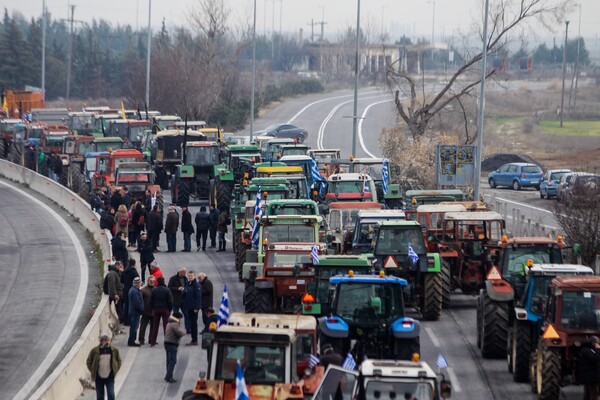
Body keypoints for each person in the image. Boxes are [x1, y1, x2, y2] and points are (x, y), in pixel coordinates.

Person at [86, 333, 121, 400]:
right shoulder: (95, 351)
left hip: (110, 377)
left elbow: (118, 361)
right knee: (100, 396)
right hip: (99, 378)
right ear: (101, 341)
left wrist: (115, 370)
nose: (106, 342)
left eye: (107, 340)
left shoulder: (114, 350)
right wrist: (93, 370)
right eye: (105, 340)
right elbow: (89, 362)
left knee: (111, 395)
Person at [163, 312, 186, 383]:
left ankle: (169, 375)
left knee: (168, 360)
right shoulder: (175, 324)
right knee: (173, 360)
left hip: (166, 342)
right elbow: (179, 333)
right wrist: (184, 333)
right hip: (172, 343)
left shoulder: (169, 323)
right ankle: (168, 376)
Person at [150, 277, 173, 346]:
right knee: (166, 326)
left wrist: (153, 308)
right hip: (165, 309)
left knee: (155, 326)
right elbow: (170, 301)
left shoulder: (154, 290)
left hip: (156, 309)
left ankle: (152, 342)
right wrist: (170, 309)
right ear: (163, 282)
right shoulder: (167, 290)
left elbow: (151, 301)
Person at [182, 270, 202, 345]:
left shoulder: (196, 285)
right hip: (188, 307)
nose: (190, 277)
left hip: (194, 308)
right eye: (189, 276)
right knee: (191, 323)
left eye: (191, 276)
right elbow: (184, 294)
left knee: (193, 324)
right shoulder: (188, 284)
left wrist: (196, 307)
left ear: (194, 276)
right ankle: (193, 339)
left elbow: (198, 297)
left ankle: (194, 340)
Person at [579, 336, 600, 400]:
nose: (599, 344)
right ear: (594, 343)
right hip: (590, 376)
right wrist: (598, 350)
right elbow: (594, 358)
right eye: (598, 343)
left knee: (588, 393)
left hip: (590, 375)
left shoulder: (589, 349)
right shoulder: (587, 350)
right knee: (594, 392)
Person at [120, 259, 139, 325]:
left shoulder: (125, 271)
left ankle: (125, 320)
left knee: (126, 305)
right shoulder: (134, 272)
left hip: (125, 290)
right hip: (132, 290)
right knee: (131, 306)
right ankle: (129, 320)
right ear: (134, 264)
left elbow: (121, 280)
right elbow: (137, 280)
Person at [138, 276, 156, 345]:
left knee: (153, 326)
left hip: (154, 311)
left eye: (153, 281)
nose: (152, 282)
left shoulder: (156, 289)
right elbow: (140, 300)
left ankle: (151, 339)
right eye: (150, 281)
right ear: (148, 281)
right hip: (145, 311)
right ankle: (141, 339)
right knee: (143, 326)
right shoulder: (143, 290)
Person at [127, 277, 144, 346]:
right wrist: (142, 309)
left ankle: (131, 340)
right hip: (135, 312)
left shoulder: (133, 290)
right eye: (140, 283)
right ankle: (132, 341)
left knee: (133, 327)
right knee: (134, 327)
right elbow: (137, 303)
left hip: (133, 311)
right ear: (137, 284)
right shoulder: (135, 292)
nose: (140, 285)